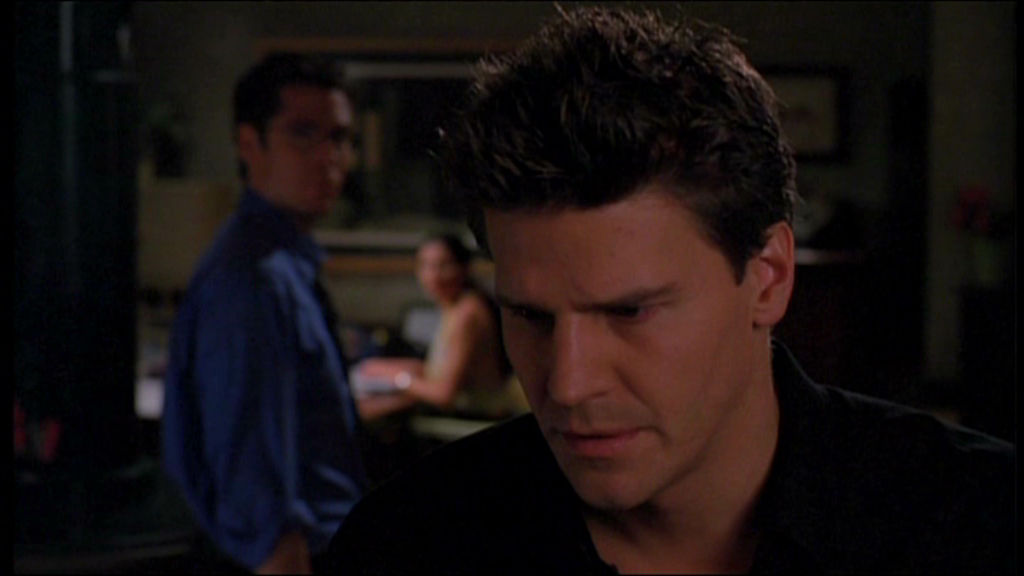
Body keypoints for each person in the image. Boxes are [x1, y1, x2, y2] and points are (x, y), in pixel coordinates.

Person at [322, 6, 1015, 574]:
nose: (568, 384)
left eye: (630, 311)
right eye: (531, 315)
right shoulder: (407, 546)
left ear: (768, 277)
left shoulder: (976, 524)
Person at [161, 53, 367, 574]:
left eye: (340, 137)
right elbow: (254, 484)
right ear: (249, 144)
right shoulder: (253, 278)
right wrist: (280, 552)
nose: (329, 156)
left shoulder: (283, 264)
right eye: (303, 134)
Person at [352, 233, 525, 422]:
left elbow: (444, 395)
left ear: (463, 268)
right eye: (426, 265)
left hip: (478, 415)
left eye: (444, 265)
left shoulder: (467, 313)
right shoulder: (454, 307)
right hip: (462, 408)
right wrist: (385, 369)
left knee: (363, 413)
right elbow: (440, 370)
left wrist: (398, 379)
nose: (433, 275)